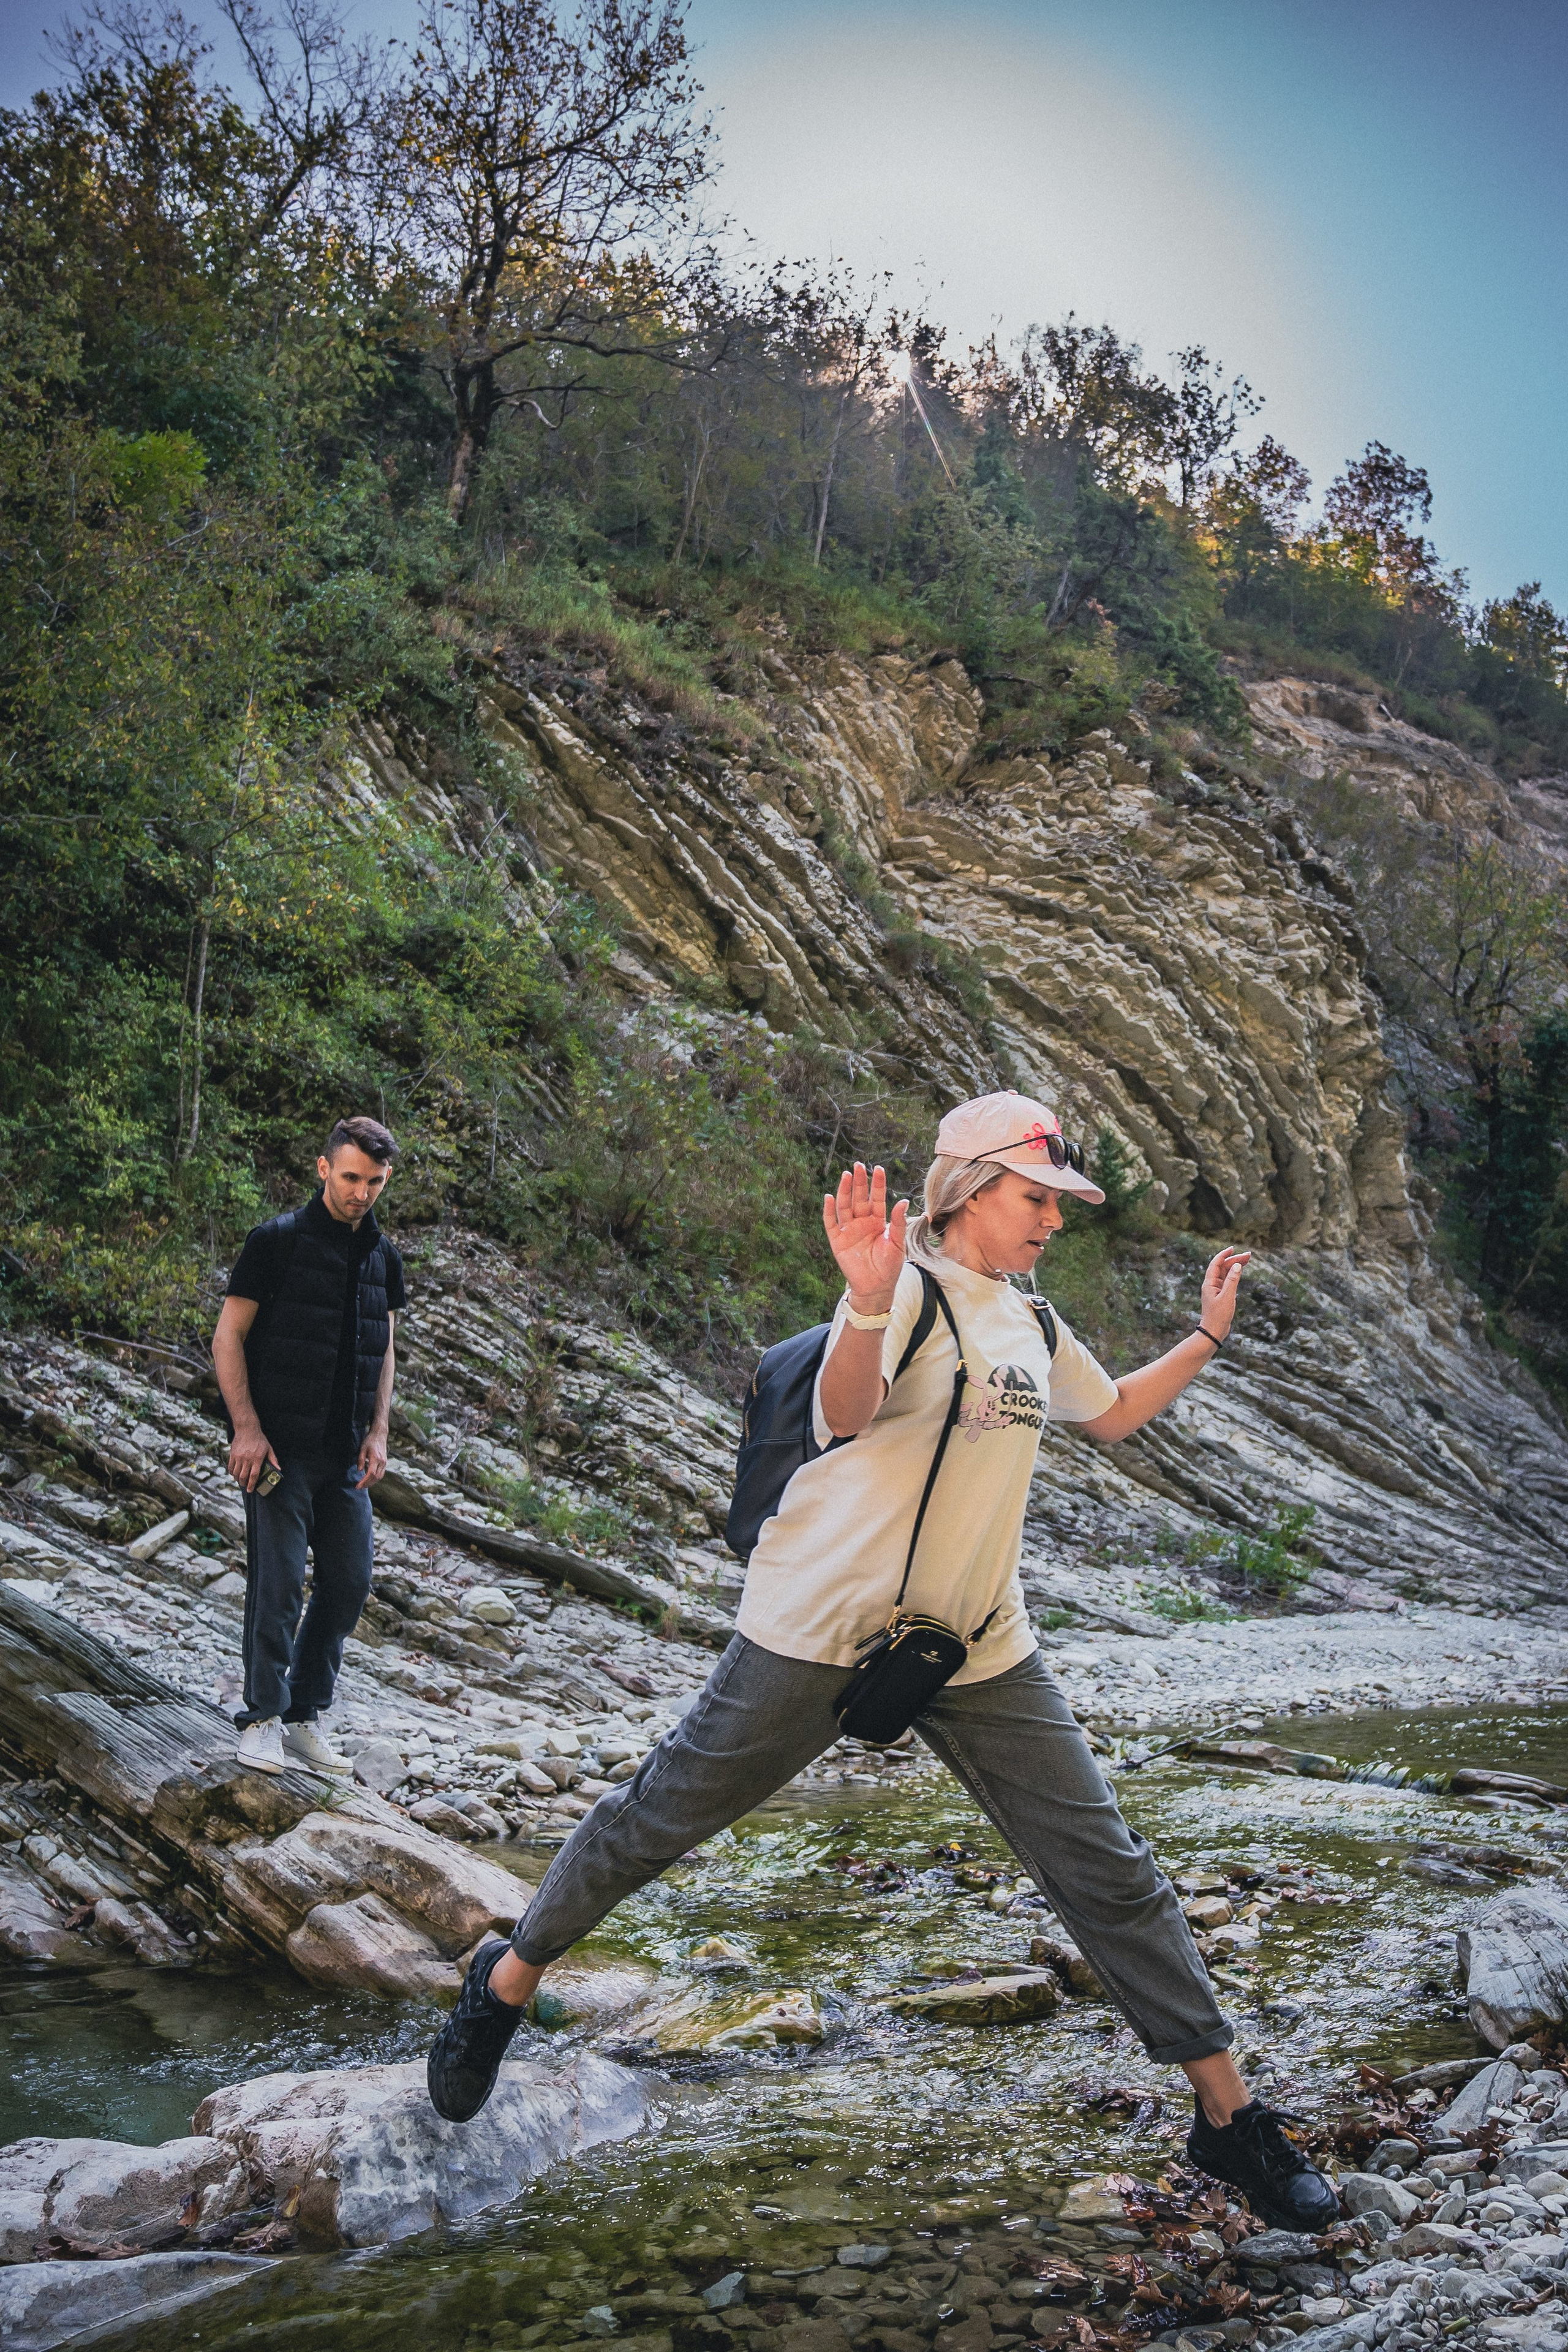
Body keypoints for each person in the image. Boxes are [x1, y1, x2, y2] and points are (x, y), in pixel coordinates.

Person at [425, 1090, 1336, 2231]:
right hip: (818, 1623)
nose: (1052, 1218)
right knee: (662, 1812)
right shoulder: (901, 1291)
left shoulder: (1032, 1322)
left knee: (1107, 1865)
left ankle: (1227, 2121)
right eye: (1033, 1196)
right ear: (967, 1192)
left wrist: (1204, 1339)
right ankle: (507, 1978)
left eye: (1060, 1202)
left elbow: (1107, 1419)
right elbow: (843, 1413)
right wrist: (862, 1301)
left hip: (979, 1642)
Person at [212, 1115, 406, 1776]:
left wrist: (379, 1431)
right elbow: (227, 1337)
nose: (361, 1192)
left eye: (374, 1181)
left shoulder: (383, 1256)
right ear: (324, 1169)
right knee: (278, 1583)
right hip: (276, 1452)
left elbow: (384, 1352)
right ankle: (262, 1717)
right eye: (350, 1177)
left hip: (345, 1454)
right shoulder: (276, 1242)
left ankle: (302, 1717)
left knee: (349, 1583)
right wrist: (246, 1428)